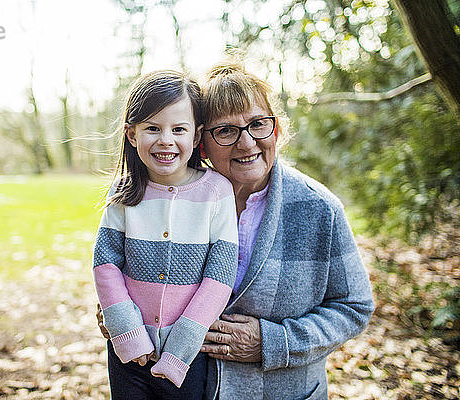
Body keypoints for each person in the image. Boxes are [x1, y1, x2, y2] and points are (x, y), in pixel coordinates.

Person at [98, 63, 374, 399]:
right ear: (203, 142)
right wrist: (122, 318)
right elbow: (125, 269)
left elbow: (355, 306)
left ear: (277, 131)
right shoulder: (175, 195)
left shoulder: (319, 210)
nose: (246, 143)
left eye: (258, 124)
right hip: (188, 385)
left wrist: (274, 342)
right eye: (227, 131)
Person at [92, 70, 238, 399]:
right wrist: (127, 332)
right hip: (127, 352)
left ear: (197, 135)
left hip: (189, 354)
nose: (165, 140)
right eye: (152, 128)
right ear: (131, 135)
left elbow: (220, 276)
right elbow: (105, 265)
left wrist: (181, 348)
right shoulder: (124, 194)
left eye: (178, 129)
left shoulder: (216, 192)